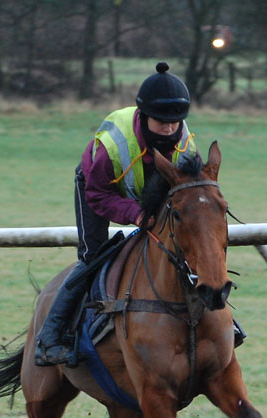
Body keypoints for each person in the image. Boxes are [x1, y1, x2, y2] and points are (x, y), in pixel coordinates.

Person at [33, 61, 200, 367]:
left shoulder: (186, 145)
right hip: (97, 186)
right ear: (144, 116)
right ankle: (50, 337)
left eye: (175, 122)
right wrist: (135, 214)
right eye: (161, 121)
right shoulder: (113, 146)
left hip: (152, 188)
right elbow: (98, 195)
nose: (169, 129)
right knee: (92, 257)